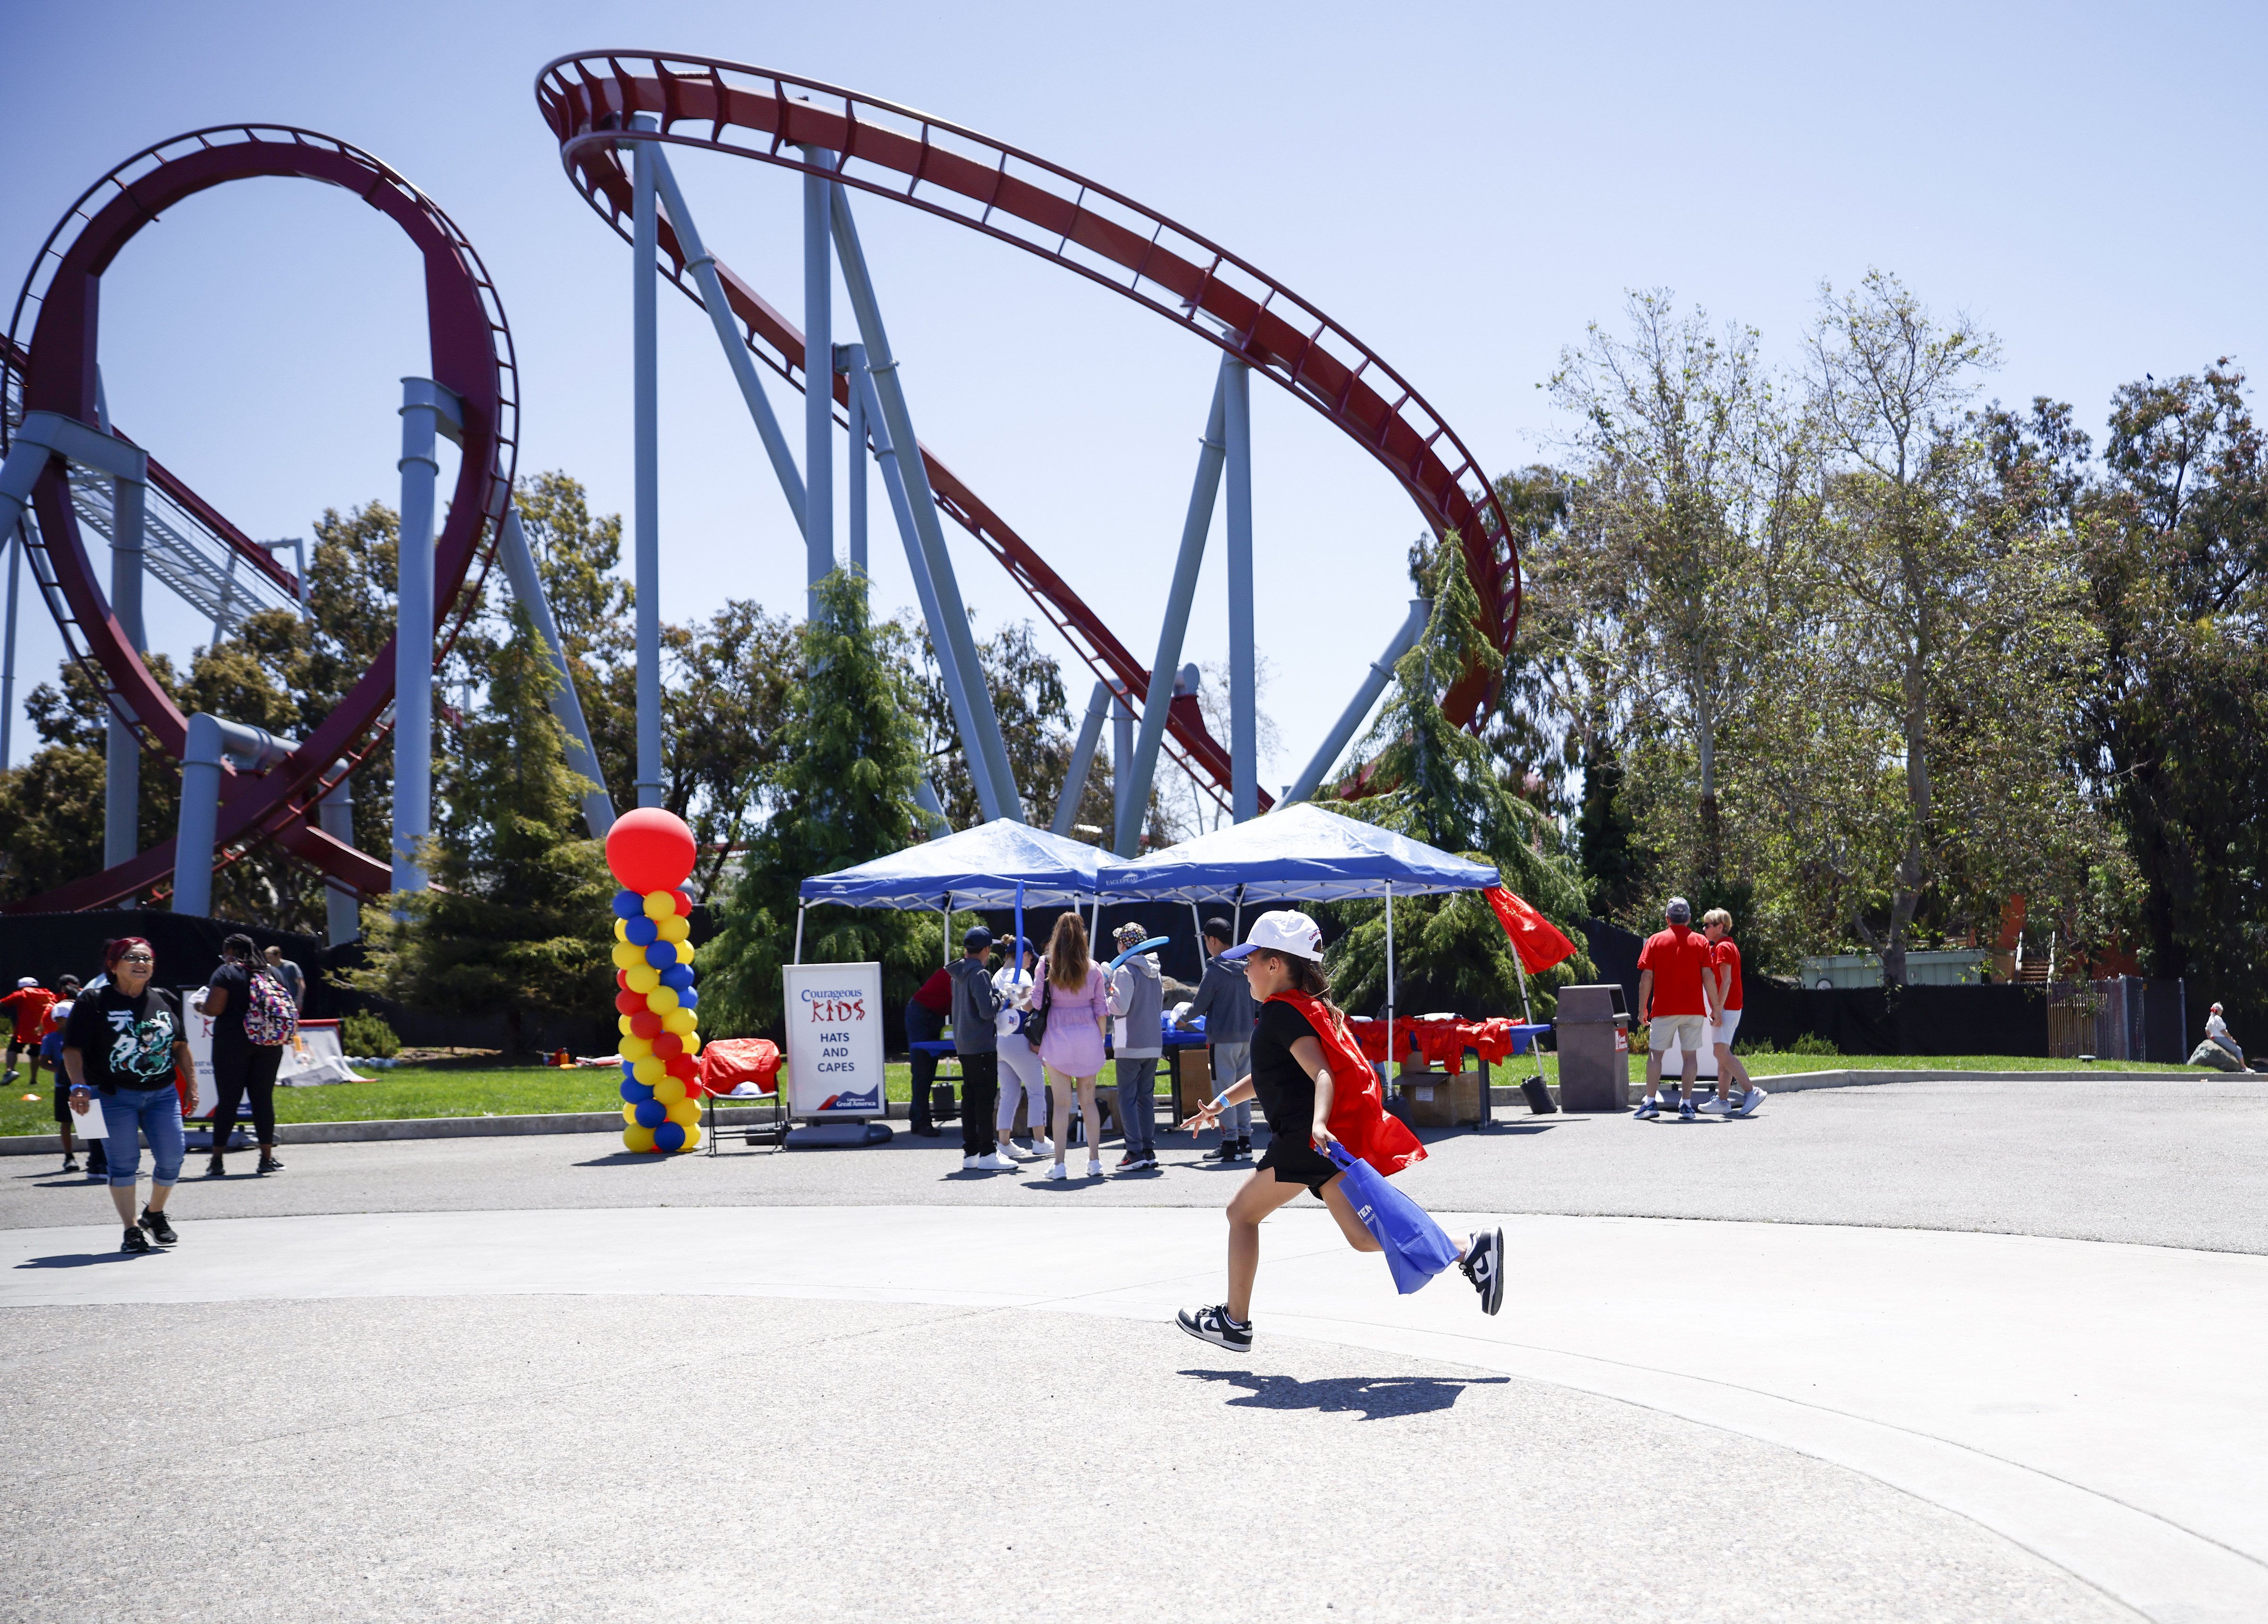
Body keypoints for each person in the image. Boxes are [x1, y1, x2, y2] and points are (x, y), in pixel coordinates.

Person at [1174, 910, 1503, 1351]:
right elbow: (1268, 1077)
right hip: (1322, 1147)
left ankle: (1235, 1322)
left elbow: (1322, 1074)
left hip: (1305, 1142)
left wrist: (1319, 1122)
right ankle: (1469, 1247)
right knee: (1363, 1237)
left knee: (1241, 1214)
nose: (1246, 966)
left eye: (1252, 957)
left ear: (1275, 965)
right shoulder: (1299, 1010)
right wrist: (1218, 1104)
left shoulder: (1280, 1014)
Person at [63, 937, 190, 1255]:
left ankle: (154, 1213)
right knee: (123, 1164)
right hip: (111, 1095)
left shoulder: (165, 998)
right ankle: (131, 1229)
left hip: (162, 1093)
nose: (141, 962)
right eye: (132, 957)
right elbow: (72, 1048)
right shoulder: (93, 1000)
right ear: (113, 964)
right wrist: (78, 1085)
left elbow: (180, 1046)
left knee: (173, 1156)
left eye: (147, 958)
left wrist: (194, 1084)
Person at [197, 933, 287, 1176]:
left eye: (225, 952)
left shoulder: (226, 972)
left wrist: (200, 1006)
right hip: (269, 1044)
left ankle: (217, 1161)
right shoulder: (272, 973)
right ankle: (267, 1158)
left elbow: (214, 1008)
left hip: (232, 1044)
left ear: (232, 951)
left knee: (228, 1101)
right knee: (263, 1100)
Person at [1036, 913, 1111, 1180]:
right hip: (1088, 1037)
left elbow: (1035, 1004)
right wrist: (1099, 1041)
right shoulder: (1094, 969)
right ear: (1083, 937)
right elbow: (1102, 1009)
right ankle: (1094, 1161)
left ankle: (1059, 1164)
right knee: (1088, 1102)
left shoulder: (1046, 966)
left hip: (1057, 1038)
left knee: (1061, 1105)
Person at [1177, 917, 1256, 1162]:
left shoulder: (1214, 970)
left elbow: (1198, 1005)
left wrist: (1183, 1018)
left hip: (1222, 1039)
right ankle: (1245, 1142)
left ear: (1212, 940)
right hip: (1247, 1037)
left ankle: (1229, 1142)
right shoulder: (1247, 967)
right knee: (1242, 1091)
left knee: (1224, 1091)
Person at [1634, 896, 1718, 1121]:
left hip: (1664, 1009)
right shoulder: (1701, 941)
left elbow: (1647, 976)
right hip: (1693, 1010)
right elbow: (1708, 976)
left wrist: (1643, 1008)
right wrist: (1716, 1007)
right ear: (1689, 919)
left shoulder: (1655, 940)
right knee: (1690, 1057)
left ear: (1667, 919)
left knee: (1655, 1055)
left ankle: (1651, 1103)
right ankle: (1687, 1105)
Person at [946, 927, 1010, 1171]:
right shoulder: (980, 973)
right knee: (985, 1099)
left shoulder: (958, 973)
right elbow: (986, 1011)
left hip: (964, 1043)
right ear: (985, 950)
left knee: (970, 1099)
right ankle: (987, 1152)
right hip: (982, 1045)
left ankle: (971, 1151)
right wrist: (1000, 998)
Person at [1107, 922, 1164, 1172]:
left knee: (1127, 1099)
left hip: (1129, 1044)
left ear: (1124, 945)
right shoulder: (1156, 971)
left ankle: (1133, 1151)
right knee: (1145, 1099)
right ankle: (1147, 1150)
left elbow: (1120, 1007)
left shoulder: (1124, 971)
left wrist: (1105, 995)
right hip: (1153, 1043)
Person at [1698, 908, 1766, 1118]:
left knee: (1720, 1053)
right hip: (1728, 1007)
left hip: (1727, 1008)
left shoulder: (1724, 947)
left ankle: (1751, 1091)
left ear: (1720, 927)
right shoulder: (1723, 946)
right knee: (1722, 1055)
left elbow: (1726, 981)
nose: (1704, 929)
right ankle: (1723, 1100)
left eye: (1708, 925)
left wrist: (1717, 1010)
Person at [991, 937, 1054, 1161]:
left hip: (1000, 1040)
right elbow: (1030, 1005)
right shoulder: (1023, 975)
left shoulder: (997, 974)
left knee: (1009, 1093)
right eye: (1030, 958)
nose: (1030, 963)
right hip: (1019, 1040)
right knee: (1037, 1090)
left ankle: (1005, 1142)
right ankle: (1040, 1141)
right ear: (1025, 955)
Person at [903, 964, 953, 1137]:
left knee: (927, 1071)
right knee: (922, 1070)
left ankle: (916, 1118)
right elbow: (965, 1005)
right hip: (921, 1014)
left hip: (934, 1015)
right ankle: (922, 1122)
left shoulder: (958, 973)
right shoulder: (954, 976)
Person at [43, 977, 83, 1173]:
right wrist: (61, 1070)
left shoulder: (84, 1037)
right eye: (59, 1019)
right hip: (63, 1085)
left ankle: (96, 1156)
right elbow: (44, 1062)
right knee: (66, 1122)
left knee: (89, 1121)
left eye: (66, 1018)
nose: (62, 1022)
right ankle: (69, 1157)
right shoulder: (50, 1038)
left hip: (84, 1084)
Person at [3, 975, 55, 1085]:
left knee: (12, 1050)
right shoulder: (48, 994)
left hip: (22, 1029)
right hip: (41, 1030)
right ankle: (33, 1080)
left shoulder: (20, 994)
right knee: (35, 1054)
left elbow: (3, 1003)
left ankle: (10, 1071)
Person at [263, 944, 306, 1010]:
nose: (269, 960)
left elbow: (301, 984)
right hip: (276, 1003)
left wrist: (300, 1001)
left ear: (278, 955)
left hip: (291, 1002)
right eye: (267, 958)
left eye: (271, 958)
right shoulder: (269, 969)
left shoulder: (291, 967)